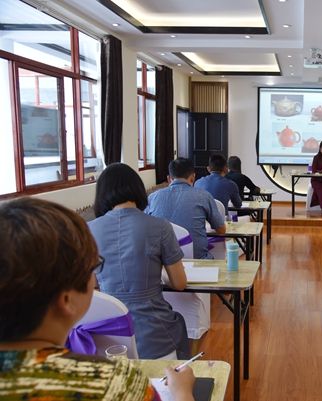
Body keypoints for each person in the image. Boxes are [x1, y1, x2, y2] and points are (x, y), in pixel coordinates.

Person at [0, 197, 195, 401]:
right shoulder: (114, 385)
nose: (95, 279)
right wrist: (183, 393)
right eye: (93, 266)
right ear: (66, 300)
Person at [88, 163, 190, 360]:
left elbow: (92, 286)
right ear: (137, 189)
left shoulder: (88, 230)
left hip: (108, 337)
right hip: (155, 334)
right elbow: (179, 283)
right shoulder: (161, 226)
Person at [147, 157, 226, 259]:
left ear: (169, 178)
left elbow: (146, 228)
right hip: (197, 261)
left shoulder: (152, 197)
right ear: (193, 177)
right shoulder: (204, 196)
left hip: (161, 262)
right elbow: (221, 230)